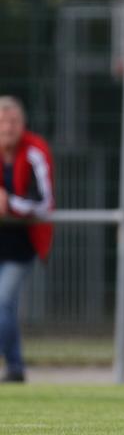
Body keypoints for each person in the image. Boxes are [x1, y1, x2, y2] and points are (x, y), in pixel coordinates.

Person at [0, 97, 54, 383]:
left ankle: (13, 366)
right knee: (5, 307)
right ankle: (16, 367)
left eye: (13, 122)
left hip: (21, 247)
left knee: (2, 302)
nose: (7, 128)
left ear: (22, 125)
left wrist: (9, 204)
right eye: (2, 122)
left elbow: (44, 203)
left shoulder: (35, 151)